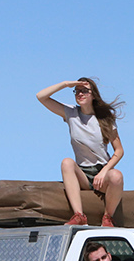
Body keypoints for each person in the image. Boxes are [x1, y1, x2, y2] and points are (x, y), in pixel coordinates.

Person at [34, 77, 125, 227]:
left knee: (117, 176)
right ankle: (79, 215)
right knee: (67, 162)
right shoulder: (71, 113)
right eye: (77, 91)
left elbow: (119, 151)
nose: (80, 94)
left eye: (85, 91)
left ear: (93, 95)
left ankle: (108, 217)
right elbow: (41, 96)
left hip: (102, 173)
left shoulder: (104, 118)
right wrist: (65, 84)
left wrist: (104, 171)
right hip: (82, 172)